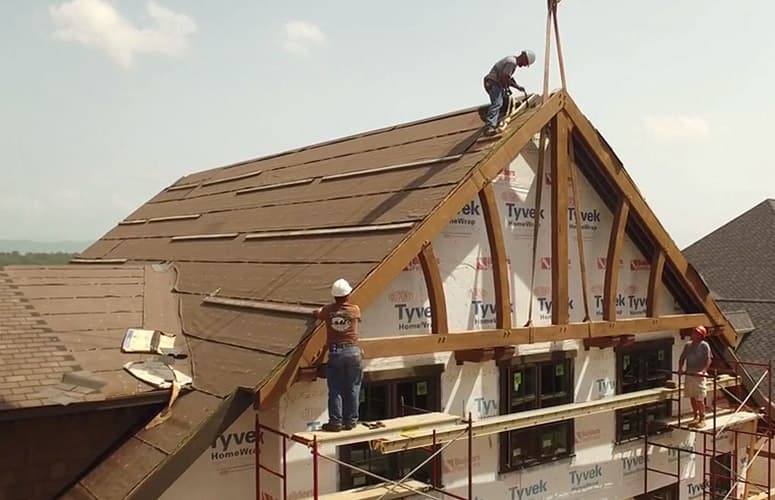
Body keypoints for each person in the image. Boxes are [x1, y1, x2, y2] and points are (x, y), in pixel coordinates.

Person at [314, 278, 363, 432]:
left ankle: (335, 422)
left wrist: (318, 311)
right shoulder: (354, 310)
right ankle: (351, 421)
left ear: (334, 296)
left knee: (335, 388)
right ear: (348, 295)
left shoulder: (328, 311)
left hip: (336, 352)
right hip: (353, 351)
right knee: (353, 387)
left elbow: (317, 313)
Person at [483, 50, 536, 135]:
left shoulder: (511, 60)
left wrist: (513, 84)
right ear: (523, 57)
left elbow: (506, 77)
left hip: (493, 83)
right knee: (497, 103)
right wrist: (517, 87)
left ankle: (495, 120)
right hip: (493, 82)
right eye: (525, 63)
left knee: (503, 102)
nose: (524, 66)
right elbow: (504, 77)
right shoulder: (512, 62)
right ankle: (489, 126)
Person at [678, 325, 713, 427]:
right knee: (692, 396)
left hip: (699, 375)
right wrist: (680, 368)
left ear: (700, 335)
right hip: (689, 374)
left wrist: (703, 371)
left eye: (695, 333)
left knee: (699, 397)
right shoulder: (688, 345)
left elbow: (708, 359)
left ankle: (702, 418)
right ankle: (695, 416)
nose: (693, 334)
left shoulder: (704, 345)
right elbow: (682, 358)